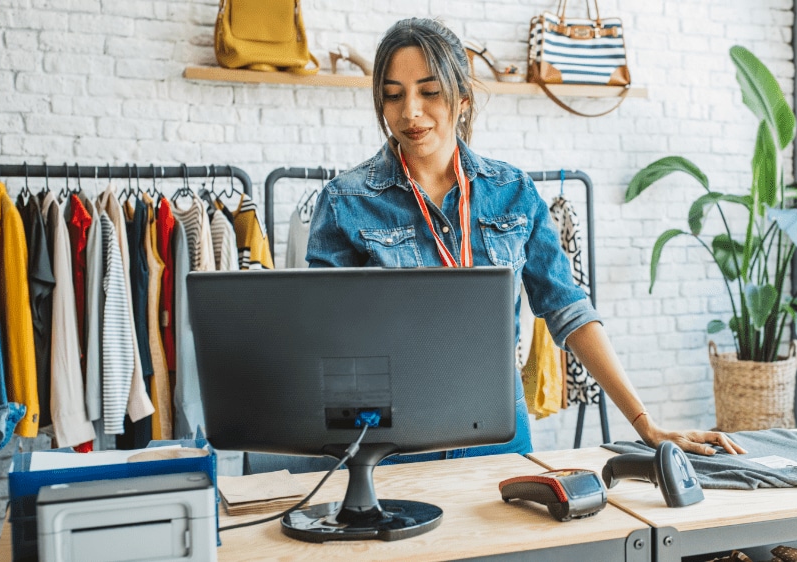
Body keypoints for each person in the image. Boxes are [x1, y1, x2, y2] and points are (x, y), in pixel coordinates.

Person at [305, 17, 744, 461]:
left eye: (429, 91)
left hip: (499, 427)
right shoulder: (346, 201)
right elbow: (320, 338)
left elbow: (569, 309)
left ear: (462, 99)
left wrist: (644, 423)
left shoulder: (512, 193)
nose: (410, 112)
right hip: (393, 436)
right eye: (393, 95)